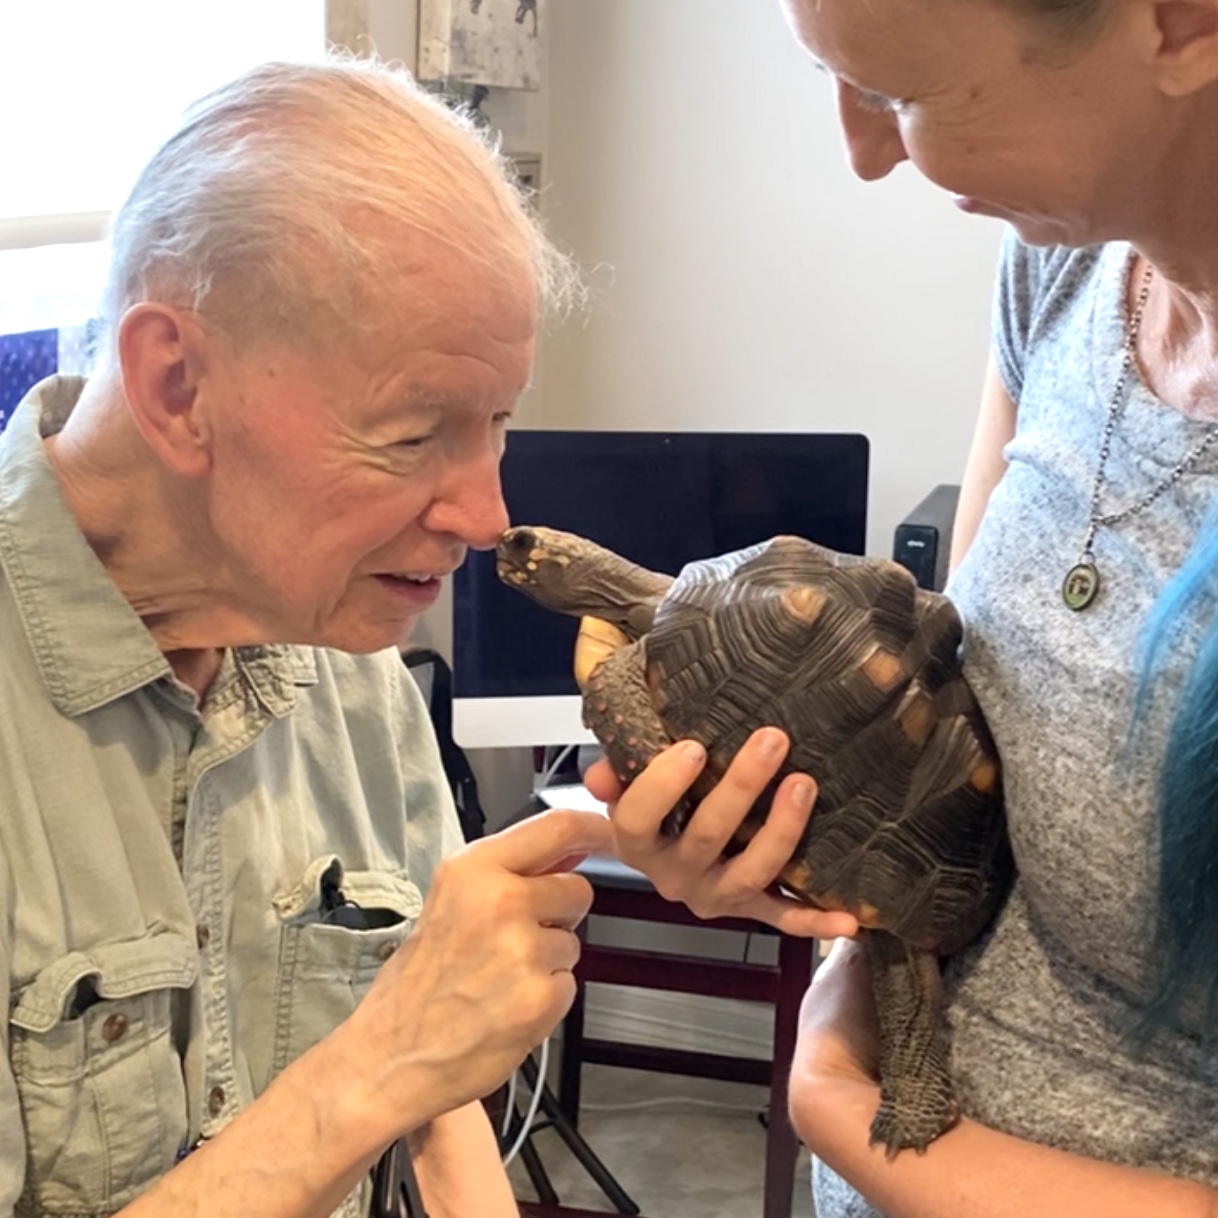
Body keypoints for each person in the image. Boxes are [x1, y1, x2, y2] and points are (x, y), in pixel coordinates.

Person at [584, 0, 1218, 1213]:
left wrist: (833, 1098)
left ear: (1182, 22)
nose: (864, 154)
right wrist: (801, 884)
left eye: (905, 96)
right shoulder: (1068, 274)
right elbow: (957, 711)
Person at [0, 58, 614, 1218]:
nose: (486, 519)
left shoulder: (345, 649)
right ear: (178, 387)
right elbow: (403, 1053)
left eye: (495, 425)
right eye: (411, 435)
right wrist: (370, 1067)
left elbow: (440, 1109)